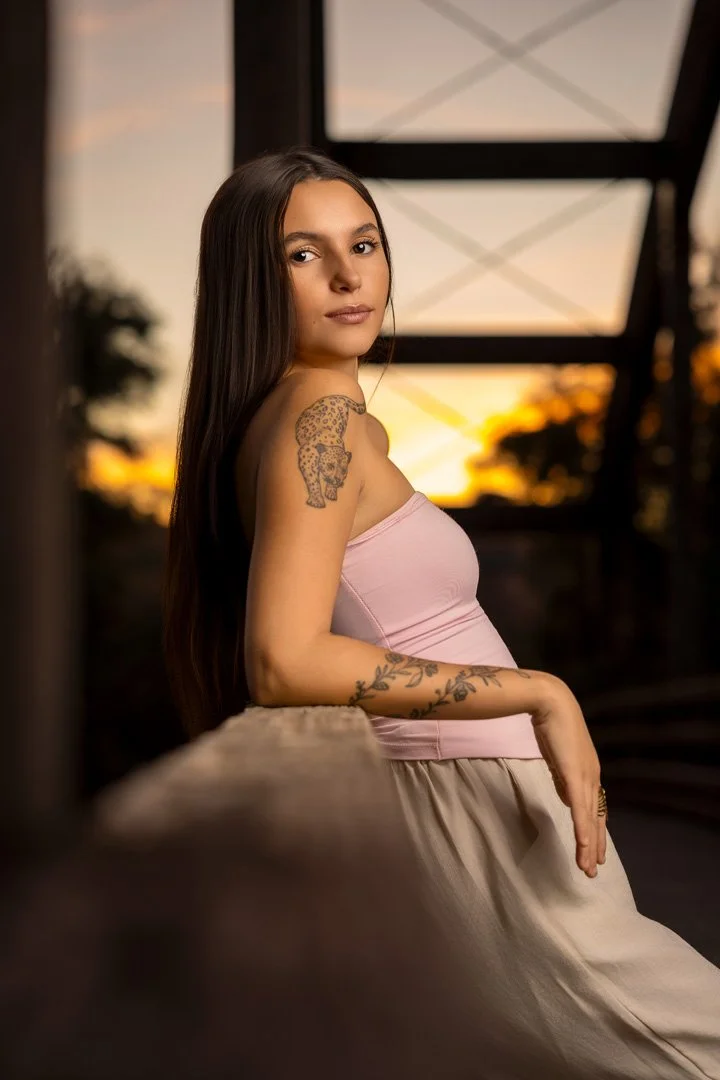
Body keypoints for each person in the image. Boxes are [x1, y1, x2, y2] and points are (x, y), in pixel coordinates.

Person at [163, 146, 720, 1079]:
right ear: (248, 282)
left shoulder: (305, 418)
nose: (349, 277)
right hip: (472, 810)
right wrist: (540, 692)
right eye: (303, 254)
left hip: (479, 807)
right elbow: (285, 657)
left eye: (364, 244)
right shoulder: (319, 424)